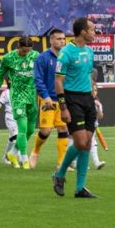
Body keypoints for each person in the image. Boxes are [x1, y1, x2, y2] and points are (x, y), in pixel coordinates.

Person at [51, 17, 100, 199]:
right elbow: (58, 81)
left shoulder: (89, 51)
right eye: (92, 29)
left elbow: (88, 76)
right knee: (79, 142)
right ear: (83, 32)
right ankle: (60, 174)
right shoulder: (66, 53)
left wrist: (93, 92)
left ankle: (80, 188)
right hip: (72, 99)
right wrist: (63, 107)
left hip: (88, 99)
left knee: (86, 144)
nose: (94, 33)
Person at [0, 36, 39, 168]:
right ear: (18, 47)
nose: (26, 53)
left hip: (32, 96)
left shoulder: (35, 56)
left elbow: (41, 74)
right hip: (17, 97)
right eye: (24, 51)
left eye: (28, 51)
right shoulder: (8, 58)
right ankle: (25, 160)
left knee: (30, 130)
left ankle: (12, 153)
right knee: (22, 130)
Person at [31, 28, 68, 169]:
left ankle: (61, 163)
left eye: (63, 39)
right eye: (59, 39)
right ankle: (35, 152)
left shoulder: (66, 57)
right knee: (45, 131)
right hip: (48, 99)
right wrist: (45, 96)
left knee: (63, 128)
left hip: (63, 100)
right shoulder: (42, 58)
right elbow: (38, 79)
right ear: (51, 40)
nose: (62, 41)